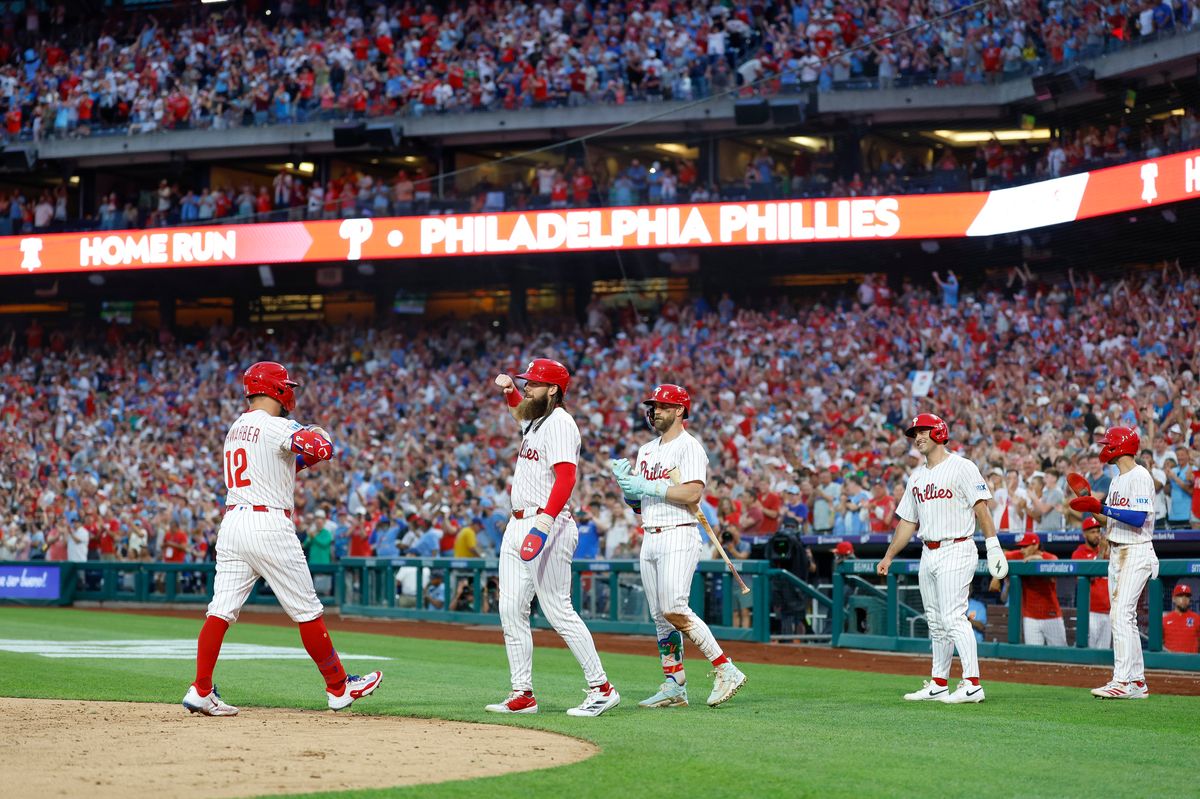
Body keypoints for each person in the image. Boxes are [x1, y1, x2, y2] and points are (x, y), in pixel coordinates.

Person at [182, 362, 382, 717]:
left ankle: (201, 689)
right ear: (276, 388)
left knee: (220, 611)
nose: (291, 391)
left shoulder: (237, 427)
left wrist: (302, 446)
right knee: (308, 610)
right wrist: (318, 432)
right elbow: (322, 450)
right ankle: (338, 687)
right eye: (287, 385)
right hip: (268, 525)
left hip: (233, 524)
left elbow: (279, 464)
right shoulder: (277, 426)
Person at [487, 359, 618, 717]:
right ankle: (522, 693)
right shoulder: (538, 419)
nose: (527, 386)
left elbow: (565, 478)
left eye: (533, 383)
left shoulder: (561, 423)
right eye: (525, 382)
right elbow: (520, 411)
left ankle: (602, 688)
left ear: (554, 390)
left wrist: (543, 525)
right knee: (510, 610)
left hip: (549, 523)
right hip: (517, 524)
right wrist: (510, 392)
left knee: (558, 610)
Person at [612, 383, 747, 709]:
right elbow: (640, 505)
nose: (655, 410)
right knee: (660, 617)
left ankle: (725, 667)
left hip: (679, 532)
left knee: (675, 608)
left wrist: (648, 485)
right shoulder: (645, 450)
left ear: (679, 410)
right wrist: (630, 490)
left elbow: (691, 494)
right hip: (651, 533)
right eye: (654, 405)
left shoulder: (690, 447)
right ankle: (674, 684)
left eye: (662, 406)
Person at [877, 413, 1008, 704]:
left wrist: (993, 544)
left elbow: (981, 509)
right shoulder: (917, 476)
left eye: (923, 431)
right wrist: (888, 555)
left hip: (957, 546)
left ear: (939, 432)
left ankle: (972, 684)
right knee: (936, 621)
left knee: (953, 617)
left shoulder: (962, 466)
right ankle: (938, 682)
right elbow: (907, 522)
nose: (918, 437)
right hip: (929, 550)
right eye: (915, 433)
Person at [1068, 427, 1158, 699]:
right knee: (1125, 618)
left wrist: (1102, 507)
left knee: (1119, 615)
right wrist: (1095, 508)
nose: (1104, 447)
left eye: (1108, 443)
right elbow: (1113, 519)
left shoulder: (1139, 475)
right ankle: (1137, 682)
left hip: (1136, 549)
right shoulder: (1117, 480)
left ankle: (1121, 680)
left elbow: (1139, 517)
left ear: (1120, 446)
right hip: (1117, 549)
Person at [990, 533, 1067, 646]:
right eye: (1021, 546)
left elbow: (1053, 574)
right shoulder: (1020, 555)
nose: (1022, 549)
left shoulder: (1049, 557)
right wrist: (996, 577)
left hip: (1052, 615)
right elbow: (1002, 556)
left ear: (1036, 546)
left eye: (1025, 546)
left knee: (1061, 656)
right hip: (1030, 617)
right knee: (1033, 657)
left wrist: (1037, 560)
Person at [1070, 517, 1111, 648]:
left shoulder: (1106, 551)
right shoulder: (1078, 553)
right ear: (1084, 534)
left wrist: (1107, 550)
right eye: (1092, 532)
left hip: (1109, 611)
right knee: (1088, 649)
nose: (1096, 535)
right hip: (1090, 612)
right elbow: (1091, 576)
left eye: (1098, 532)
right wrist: (1101, 552)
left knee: (1104, 652)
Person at [1162, 584, 1199, 654]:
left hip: (1192, 662)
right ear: (1173, 599)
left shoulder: (1197, 619)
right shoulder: (1165, 620)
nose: (1184, 599)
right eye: (1180, 596)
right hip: (1170, 662)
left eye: (1187, 596)